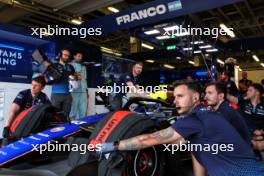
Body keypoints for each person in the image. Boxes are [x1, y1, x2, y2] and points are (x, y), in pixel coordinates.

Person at [96, 80, 264, 175]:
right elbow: (196, 149)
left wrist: (111, 145)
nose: (175, 101)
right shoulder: (206, 114)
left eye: (180, 96)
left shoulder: (195, 118)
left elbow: (148, 140)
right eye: (174, 96)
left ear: (195, 97)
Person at [2, 73, 51, 138]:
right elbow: (12, 111)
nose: (33, 88)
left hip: (34, 127)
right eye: (32, 84)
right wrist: (6, 127)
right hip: (19, 125)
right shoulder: (23, 94)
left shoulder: (44, 97)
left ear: (42, 88)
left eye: (36, 85)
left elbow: (49, 112)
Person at [45, 49, 76, 117]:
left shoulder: (71, 67)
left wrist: (76, 77)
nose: (67, 57)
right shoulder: (53, 65)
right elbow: (47, 79)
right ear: (60, 55)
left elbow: (74, 78)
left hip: (68, 95)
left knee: (66, 116)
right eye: (65, 55)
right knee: (54, 116)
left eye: (68, 55)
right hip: (56, 95)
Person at [69, 51, 87, 119]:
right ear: (74, 56)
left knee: (83, 109)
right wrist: (76, 75)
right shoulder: (70, 65)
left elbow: (84, 79)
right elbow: (69, 77)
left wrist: (86, 90)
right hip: (74, 90)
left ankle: (82, 125)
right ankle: (72, 126)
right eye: (79, 56)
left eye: (81, 57)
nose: (80, 58)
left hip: (83, 91)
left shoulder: (83, 67)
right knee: (73, 110)